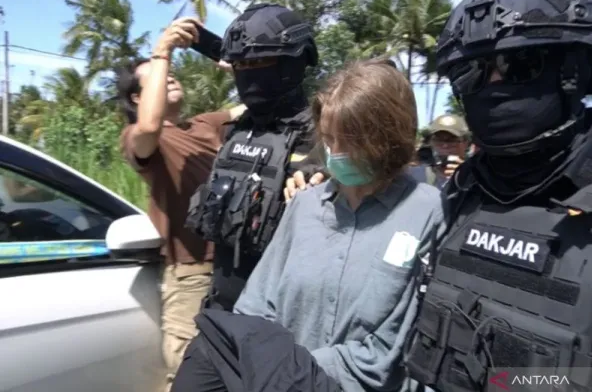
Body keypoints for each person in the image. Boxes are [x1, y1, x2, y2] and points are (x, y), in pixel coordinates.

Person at [173, 59, 443, 392]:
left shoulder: (428, 212)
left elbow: (395, 348)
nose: (336, 153)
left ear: (388, 140)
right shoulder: (305, 206)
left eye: (350, 142)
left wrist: (288, 374)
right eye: (329, 139)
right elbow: (255, 309)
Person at [403, 0, 592, 390]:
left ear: (572, 70)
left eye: (518, 63)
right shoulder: (461, 193)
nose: (492, 84)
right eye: (471, 72)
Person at [116, 17, 246, 392]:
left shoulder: (207, 124)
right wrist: (163, 51)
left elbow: (261, 105)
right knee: (191, 375)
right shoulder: (139, 139)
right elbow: (149, 126)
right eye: (159, 75)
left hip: (241, 264)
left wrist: (238, 68)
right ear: (138, 99)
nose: (170, 75)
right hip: (192, 275)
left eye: (172, 72)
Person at [185, 3, 322, 312]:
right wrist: (202, 42)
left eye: (259, 61)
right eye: (241, 66)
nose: (248, 74)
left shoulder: (326, 135)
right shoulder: (239, 129)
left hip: (281, 320)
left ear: (292, 62)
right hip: (221, 312)